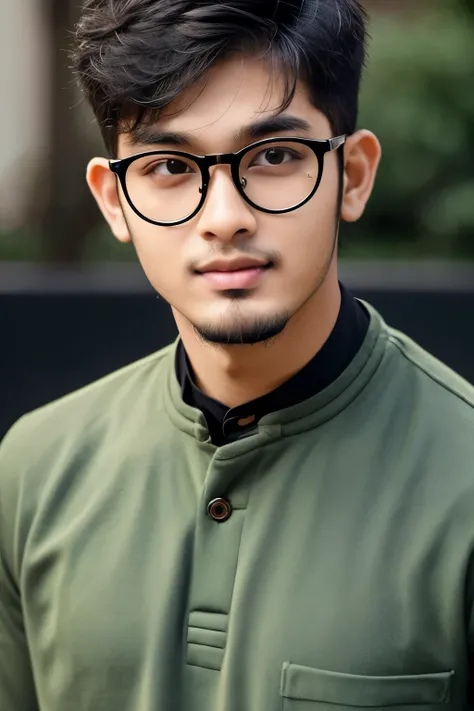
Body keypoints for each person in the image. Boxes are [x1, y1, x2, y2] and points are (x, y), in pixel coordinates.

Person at [1, 0, 473, 709]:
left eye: (276, 156)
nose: (225, 218)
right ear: (114, 201)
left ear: (353, 175)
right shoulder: (34, 469)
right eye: (168, 166)